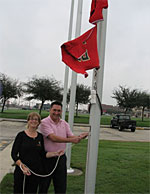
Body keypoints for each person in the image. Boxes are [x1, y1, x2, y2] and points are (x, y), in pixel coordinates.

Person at [40, 101, 88, 194]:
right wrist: (72, 140)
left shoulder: (64, 123)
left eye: (59, 111)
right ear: (50, 110)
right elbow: (53, 138)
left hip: (61, 159)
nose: (56, 113)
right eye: (54, 110)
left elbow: (70, 136)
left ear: (62, 111)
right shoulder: (44, 123)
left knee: (61, 187)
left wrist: (79, 137)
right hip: (47, 159)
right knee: (43, 186)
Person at [11, 112, 63, 194]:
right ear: (28, 121)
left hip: (35, 172)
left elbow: (42, 154)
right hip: (22, 171)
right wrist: (22, 166)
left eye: (36, 119)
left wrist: (55, 153)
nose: (33, 121)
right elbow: (14, 154)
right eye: (31, 119)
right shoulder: (21, 135)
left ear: (39, 122)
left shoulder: (40, 137)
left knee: (32, 191)